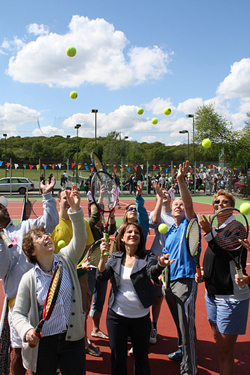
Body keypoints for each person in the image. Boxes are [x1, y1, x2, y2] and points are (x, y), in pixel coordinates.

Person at [12, 185, 87, 375]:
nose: (46, 236)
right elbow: (18, 314)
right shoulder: (29, 279)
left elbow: (80, 238)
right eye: (39, 237)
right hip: (44, 343)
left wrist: (76, 210)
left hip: (73, 339)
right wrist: (27, 331)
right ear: (32, 251)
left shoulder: (66, 260)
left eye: (45, 234)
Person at [97, 222, 173, 375]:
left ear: (140, 238)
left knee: (141, 359)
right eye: (129, 232)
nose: (133, 234)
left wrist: (160, 265)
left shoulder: (148, 256)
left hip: (141, 318)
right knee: (118, 360)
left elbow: (152, 272)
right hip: (116, 318)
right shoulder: (115, 257)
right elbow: (102, 277)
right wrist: (101, 258)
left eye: (136, 232)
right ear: (123, 238)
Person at [0, 177, 58, 375]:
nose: (4, 209)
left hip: (44, 300)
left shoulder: (25, 228)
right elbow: (2, 272)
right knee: (19, 354)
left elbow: (50, 222)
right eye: (0, 207)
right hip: (18, 304)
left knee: (46, 351)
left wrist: (47, 195)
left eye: (4, 207)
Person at [196, 189, 250, 375]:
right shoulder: (216, 229)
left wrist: (208, 233)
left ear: (232, 207)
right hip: (212, 293)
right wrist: (205, 273)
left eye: (225, 202)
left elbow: (226, 251)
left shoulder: (238, 228)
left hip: (230, 296)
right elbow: (214, 258)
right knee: (219, 344)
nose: (220, 204)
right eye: (217, 202)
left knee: (224, 352)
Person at [50, 187, 101, 357]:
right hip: (56, 276)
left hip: (80, 275)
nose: (67, 200)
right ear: (58, 201)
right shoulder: (51, 223)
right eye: (64, 198)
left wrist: (85, 264)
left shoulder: (83, 223)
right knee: (56, 312)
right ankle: (58, 350)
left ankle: (84, 343)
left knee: (82, 311)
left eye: (70, 197)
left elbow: (89, 248)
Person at [162, 161, 198, 375]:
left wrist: (180, 180)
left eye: (181, 204)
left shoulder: (189, 225)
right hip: (169, 284)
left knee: (187, 325)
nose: (178, 206)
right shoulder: (171, 232)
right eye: (175, 204)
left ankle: (189, 369)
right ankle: (182, 350)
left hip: (184, 281)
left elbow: (190, 206)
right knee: (179, 324)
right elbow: (166, 257)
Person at [148, 183, 175, 344]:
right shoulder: (156, 213)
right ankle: (149, 326)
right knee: (153, 296)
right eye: (161, 193)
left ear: (171, 197)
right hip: (157, 261)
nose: (164, 194)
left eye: (166, 193)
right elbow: (155, 220)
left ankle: (155, 326)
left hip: (172, 263)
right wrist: (158, 198)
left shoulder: (177, 214)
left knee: (165, 299)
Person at [87, 200, 116, 342]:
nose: (99, 213)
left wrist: (111, 217)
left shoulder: (101, 228)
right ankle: (81, 333)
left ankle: (96, 329)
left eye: (100, 211)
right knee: (86, 301)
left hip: (101, 267)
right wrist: (96, 207)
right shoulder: (88, 226)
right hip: (89, 268)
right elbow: (94, 218)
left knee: (99, 299)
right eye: (95, 211)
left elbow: (111, 230)